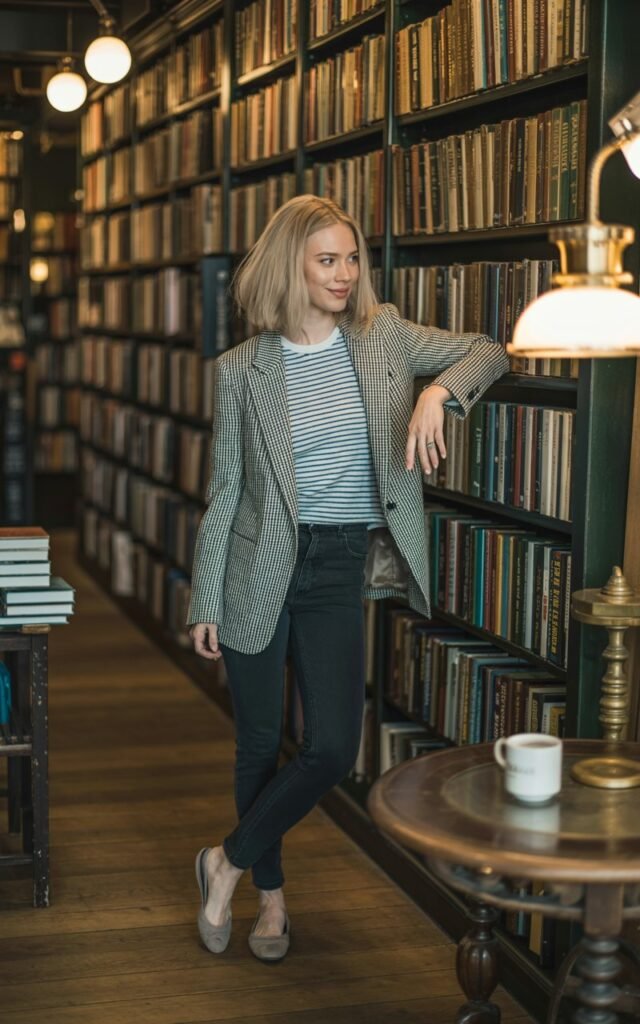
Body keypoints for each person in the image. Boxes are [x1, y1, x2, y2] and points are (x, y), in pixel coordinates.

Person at [187, 194, 509, 963]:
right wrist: (203, 596)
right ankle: (270, 904)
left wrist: (437, 392)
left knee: (332, 745)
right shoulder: (242, 370)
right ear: (290, 264)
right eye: (327, 259)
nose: (344, 272)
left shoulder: (384, 335)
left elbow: (489, 349)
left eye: (351, 257)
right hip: (255, 566)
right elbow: (224, 489)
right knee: (259, 745)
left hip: (337, 563)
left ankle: (223, 861)